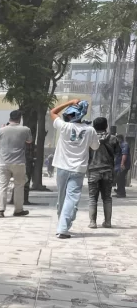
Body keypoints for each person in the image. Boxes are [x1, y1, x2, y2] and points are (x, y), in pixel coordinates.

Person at [50, 99, 100, 239]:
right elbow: (95, 146)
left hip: (62, 167)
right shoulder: (90, 130)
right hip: (78, 169)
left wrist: (69, 102)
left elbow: (53, 112)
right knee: (71, 198)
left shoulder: (64, 126)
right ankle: (63, 227)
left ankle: (61, 225)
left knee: (62, 197)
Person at [0, 109, 32, 218]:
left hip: (3, 162)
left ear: (10, 118)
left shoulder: (1, 130)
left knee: (2, 187)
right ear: (20, 118)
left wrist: (3, 132)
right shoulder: (25, 129)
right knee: (19, 186)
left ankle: (0, 210)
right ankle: (18, 210)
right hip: (19, 162)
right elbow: (29, 141)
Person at [87, 117, 120, 228]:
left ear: (94, 127)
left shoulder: (90, 138)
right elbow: (118, 154)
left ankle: (92, 222)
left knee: (92, 198)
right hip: (107, 171)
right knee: (107, 198)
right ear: (106, 126)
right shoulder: (113, 139)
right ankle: (108, 222)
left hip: (93, 171)